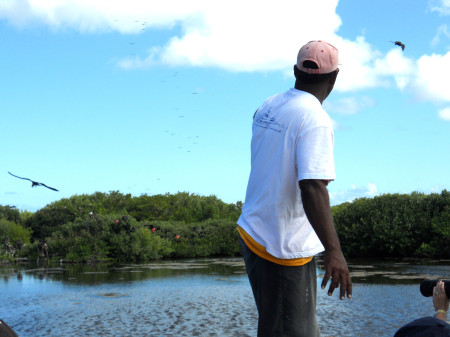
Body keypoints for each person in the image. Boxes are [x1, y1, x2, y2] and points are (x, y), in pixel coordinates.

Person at [237, 40, 352, 337]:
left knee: (280, 326)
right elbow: (312, 187)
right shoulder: (316, 120)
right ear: (334, 77)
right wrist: (335, 252)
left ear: (295, 71)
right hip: (281, 248)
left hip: (253, 232)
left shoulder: (269, 104)